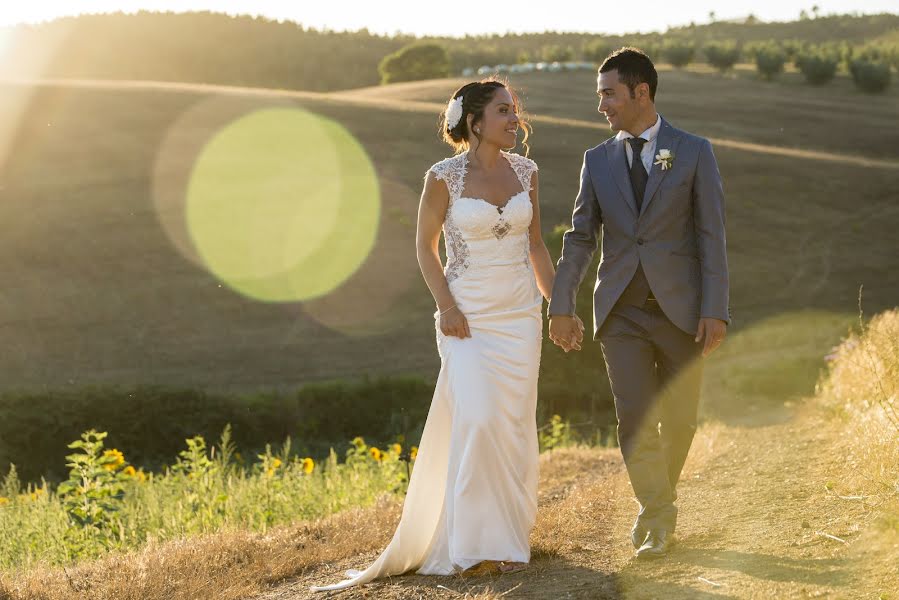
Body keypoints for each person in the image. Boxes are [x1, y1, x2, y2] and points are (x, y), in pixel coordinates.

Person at [312, 78, 582, 591]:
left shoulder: (527, 171)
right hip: (469, 315)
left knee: (512, 423)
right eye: (504, 111)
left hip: (519, 314)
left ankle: (506, 541)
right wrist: (446, 306)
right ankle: (471, 545)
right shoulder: (443, 177)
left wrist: (560, 308)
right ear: (475, 121)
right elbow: (424, 247)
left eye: (515, 111)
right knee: (478, 417)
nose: (514, 120)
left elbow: (537, 248)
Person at [549, 47, 730, 559]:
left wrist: (715, 309)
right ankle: (657, 512)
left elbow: (710, 235)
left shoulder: (694, 151)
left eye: (608, 93)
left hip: (683, 311)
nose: (601, 104)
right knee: (633, 416)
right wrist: (563, 303)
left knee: (680, 420)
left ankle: (657, 506)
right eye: (599, 94)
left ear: (641, 92)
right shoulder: (597, 161)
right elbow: (581, 238)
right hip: (621, 311)